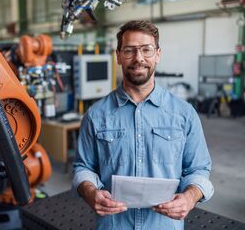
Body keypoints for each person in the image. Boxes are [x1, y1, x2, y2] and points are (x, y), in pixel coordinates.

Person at [72, 20, 214, 230]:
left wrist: (190, 197)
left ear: (158, 54)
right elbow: (83, 167)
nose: (139, 58)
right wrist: (90, 192)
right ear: (118, 56)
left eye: (146, 50)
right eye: (129, 50)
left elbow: (199, 169)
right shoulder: (96, 115)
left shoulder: (184, 114)